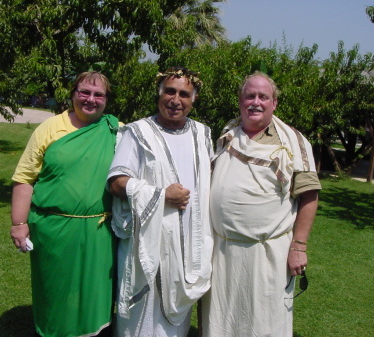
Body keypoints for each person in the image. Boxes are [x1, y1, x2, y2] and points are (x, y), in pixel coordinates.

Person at [201, 71, 321, 336]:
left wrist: (299, 247)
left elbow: (309, 196)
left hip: (268, 254)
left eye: (263, 97)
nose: (255, 102)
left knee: (265, 322)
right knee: (220, 320)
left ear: (274, 103)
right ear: (240, 101)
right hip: (222, 251)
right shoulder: (226, 136)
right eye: (249, 96)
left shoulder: (294, 142)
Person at [10, 72, 119, 337]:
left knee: (94, 292)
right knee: (55, 290)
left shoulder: (117, 130)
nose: (90, 99)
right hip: (52, 228)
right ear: (72, 94)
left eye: (98, 94)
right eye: (84, 92)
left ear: (106, 100)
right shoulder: (49, 128)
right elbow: (25, 179)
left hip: (99, 230)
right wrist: (19, 224)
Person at [108, 66, 213, 337]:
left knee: (174, 326)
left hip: (188, 246)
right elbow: (116, 181)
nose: (175, 100)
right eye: (170, 91)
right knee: (140, 321)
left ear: (194, 99)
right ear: (159, 93)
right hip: (146, 245)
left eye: (184, 94)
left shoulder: (203, 135)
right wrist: (161, 195)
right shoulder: (137, 132)